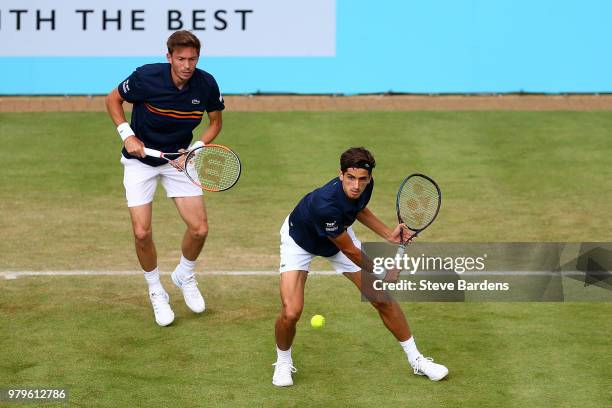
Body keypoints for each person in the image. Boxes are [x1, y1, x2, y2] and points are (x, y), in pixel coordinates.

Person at [272, 147, 448, 386]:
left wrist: (389, 234)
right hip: (300, 241)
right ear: (341, 174)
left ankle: (417, 360)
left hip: (338, 237)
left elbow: (359, 209)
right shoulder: (326, 204)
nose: (356, 185)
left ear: (369, 178)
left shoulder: (364, 187)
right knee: (291, 311)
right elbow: (350, 251)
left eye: (362, 179)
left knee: (381, 298)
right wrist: (382, 271)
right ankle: (283, 362)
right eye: (351, 178)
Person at [105, 30, 225, 326]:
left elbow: (215, 122)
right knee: (142, 232)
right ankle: (155, 289)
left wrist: (194, 150)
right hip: (140, 160)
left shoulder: (206, 83)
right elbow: (113, 99)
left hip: (179, 160)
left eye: (193, 59)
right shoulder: (147, 78)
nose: (187, 65)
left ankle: (185, 274)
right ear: (169, 57)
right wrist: (127, 134)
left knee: (199, 229)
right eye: (181, 58)